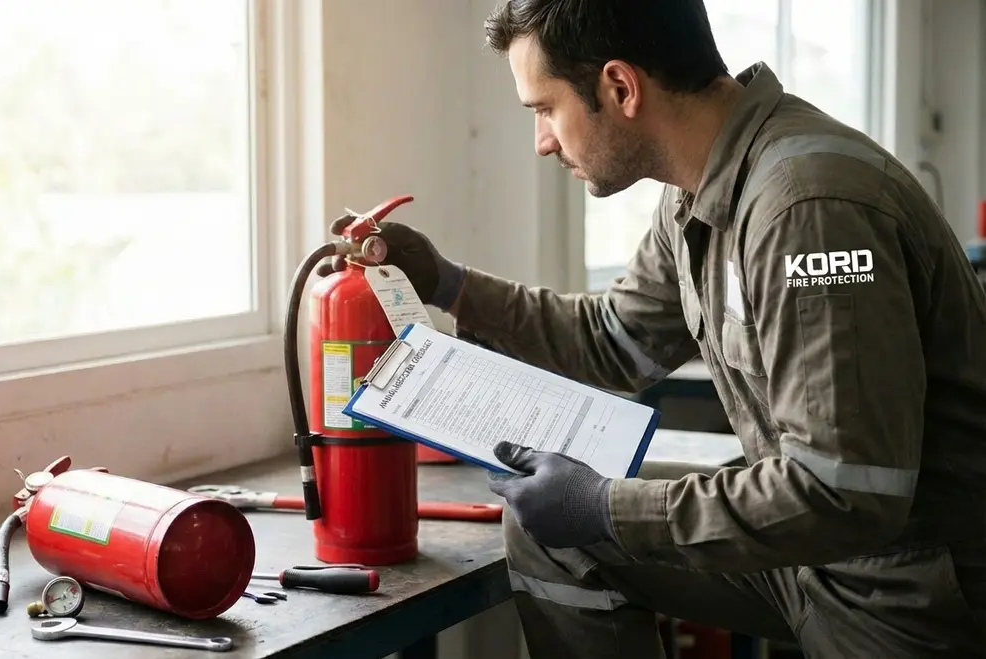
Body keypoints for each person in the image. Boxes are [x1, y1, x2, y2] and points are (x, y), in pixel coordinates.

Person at [318, 0, 986, 656]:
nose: (542, 140)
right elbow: (614, 338)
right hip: (816, 564)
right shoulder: (700, 188)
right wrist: (446, 283)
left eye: (545, 109)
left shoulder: (807, 207)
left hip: (911, 599)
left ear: (619, 86)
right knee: (550, 529)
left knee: (587, 521)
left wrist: (609, 507)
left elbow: (843, 493)